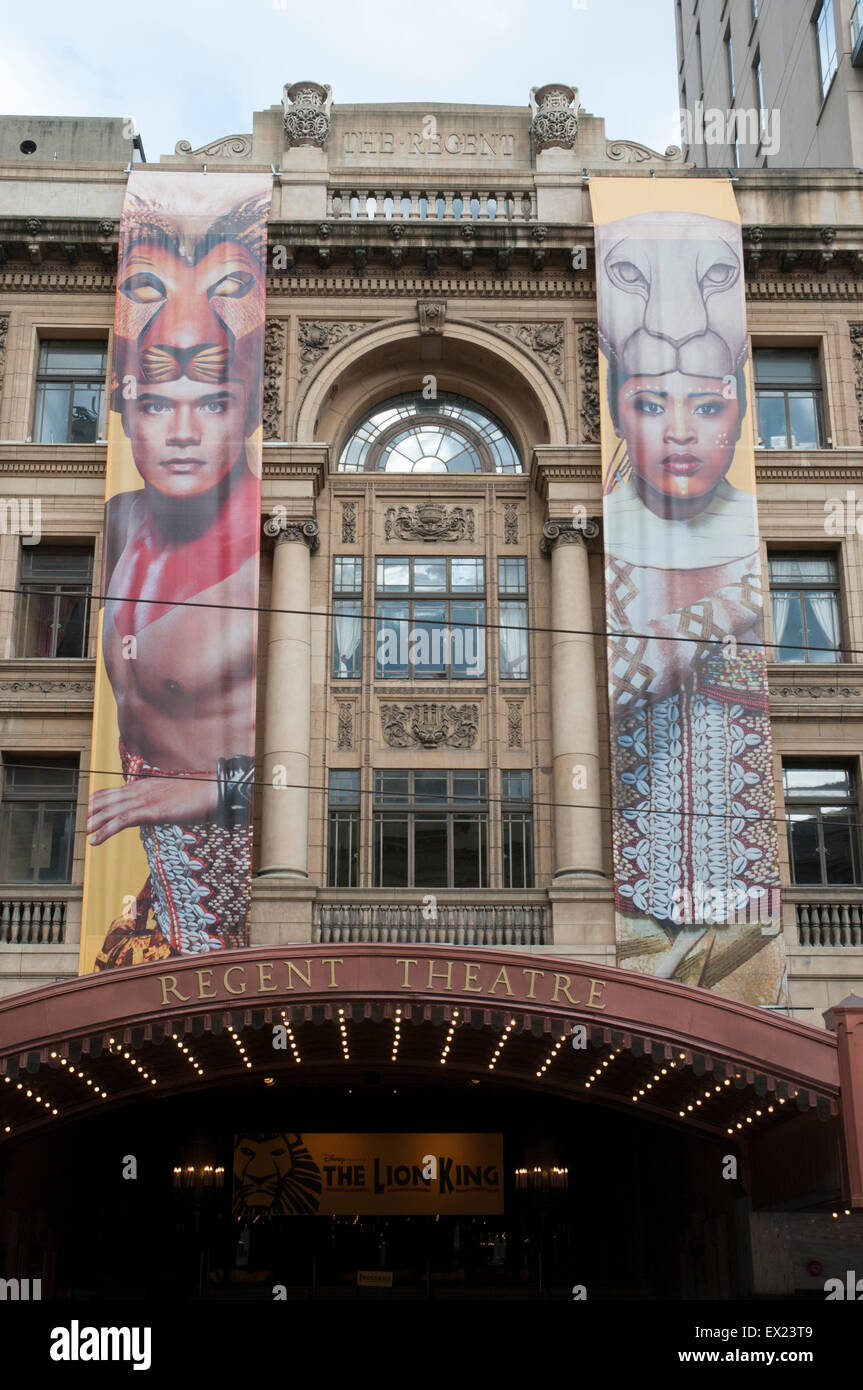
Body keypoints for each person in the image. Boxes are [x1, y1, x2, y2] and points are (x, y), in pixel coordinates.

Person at [596, 209, 784, 1001]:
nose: (680, 433)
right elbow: (634, 673)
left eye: (707, 407)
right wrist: (716, 619)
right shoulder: (614, 530)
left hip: (733, 910)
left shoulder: (747, 549)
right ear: (614, 412)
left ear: (741, 411)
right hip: (636, 899)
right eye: (648, 404)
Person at [87, 180, 269, 968]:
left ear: (248, 410)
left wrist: (203, 790)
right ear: (127, 406)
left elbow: (319, 761)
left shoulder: (266, 563)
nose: (184, 433)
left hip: (234, 893)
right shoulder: (122, 518)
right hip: (142, 887)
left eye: (215, 401)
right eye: (159, 404)